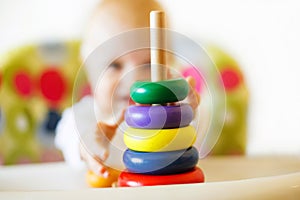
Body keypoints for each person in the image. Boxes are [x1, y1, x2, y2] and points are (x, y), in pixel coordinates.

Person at [55, 0, 200, 181]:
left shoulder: (169, 115)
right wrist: (86, 146)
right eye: (114, 65)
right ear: (88, 67)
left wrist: (184, 115)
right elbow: (69, 136)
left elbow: (196, 145)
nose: (132, 79)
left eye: (148, 64)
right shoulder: (82, 116)